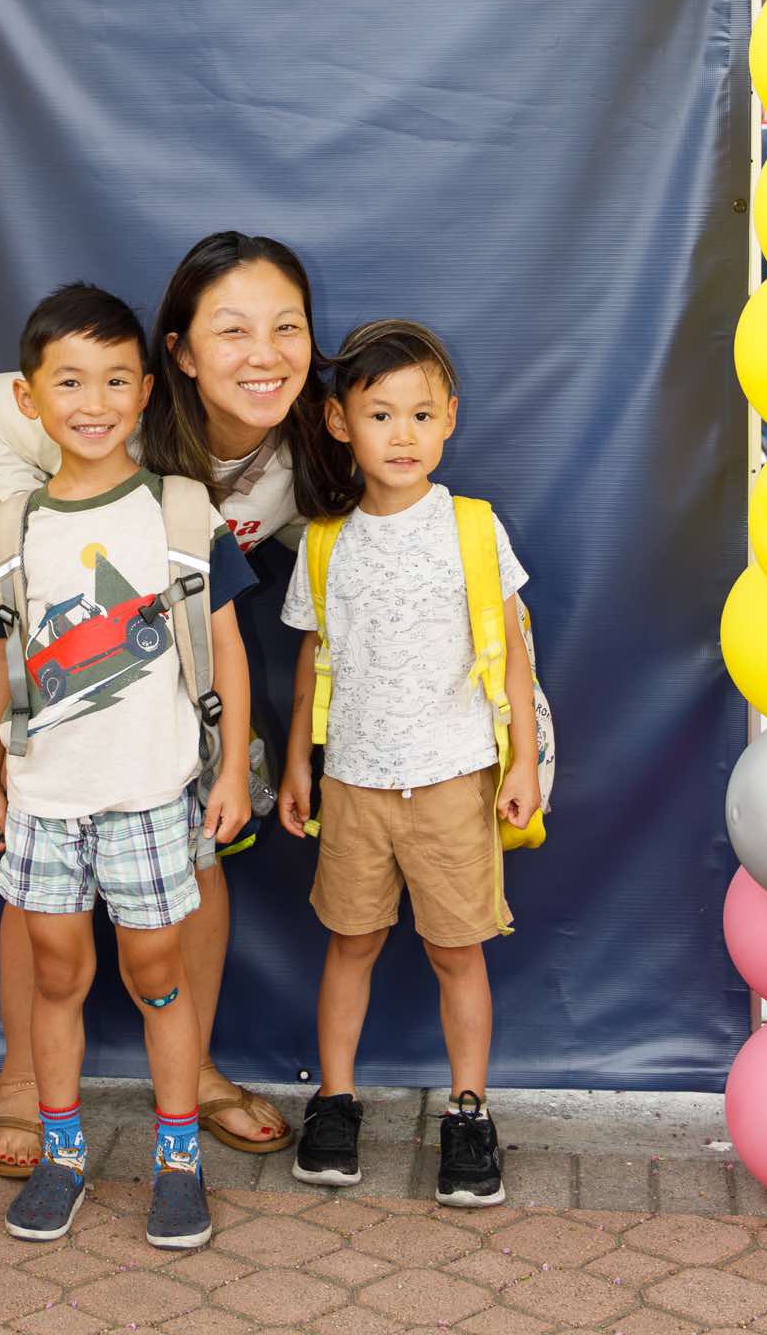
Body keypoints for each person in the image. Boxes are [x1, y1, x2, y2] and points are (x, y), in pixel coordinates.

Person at [0, 230, 348, 1171]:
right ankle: (23, 1080)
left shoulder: (297, 457)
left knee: (196, 848)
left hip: (140, 646)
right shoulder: (109, 410)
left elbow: (323, 559)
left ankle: (197, 1071)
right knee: (44, 826)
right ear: (178, 353)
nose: (263, 354)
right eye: (231, 330)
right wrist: (28, 533)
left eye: (286, 328)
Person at [0, 282, 253, 1250]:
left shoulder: (181, 512)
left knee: (156, 972)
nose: (92, 402)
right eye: (69, 381)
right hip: (44, 801)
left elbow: (226, 648)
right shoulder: (11, 527)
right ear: (28, 396)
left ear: (145, 391)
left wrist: (231, 771)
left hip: (149, 797)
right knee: (56, 975)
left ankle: (177, 1160)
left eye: (115, 380)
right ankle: (62, 1154)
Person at [277, 319, 541, 1208]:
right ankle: (334, 1101)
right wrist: (297, 766)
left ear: (449, 419)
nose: (403, 435)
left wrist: (522, 763)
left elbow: (513, 649)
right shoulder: (325, 540)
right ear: (339, 423)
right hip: (352, 782)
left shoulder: (472, 527)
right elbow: (313, 662)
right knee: (349, 942)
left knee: (456, 951)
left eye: (421, 415)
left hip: (454, 780)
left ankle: (467, 1112)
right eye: (380, 414)